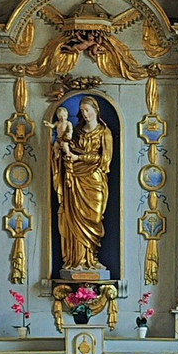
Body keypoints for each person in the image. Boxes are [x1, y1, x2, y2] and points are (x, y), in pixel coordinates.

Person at [53, 96, 113, 271]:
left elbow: (104, 159)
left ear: (96, 110)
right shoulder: (77, 131)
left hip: (95, 179)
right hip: (75, 178)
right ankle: (77, 260)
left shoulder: (104, 133)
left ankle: (92, 259)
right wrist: (59, 149)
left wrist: (79, 157)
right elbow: (65, 149)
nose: (85, 114)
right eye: (82, 110)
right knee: (74, 218)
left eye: (88, 110)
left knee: (94, 218)